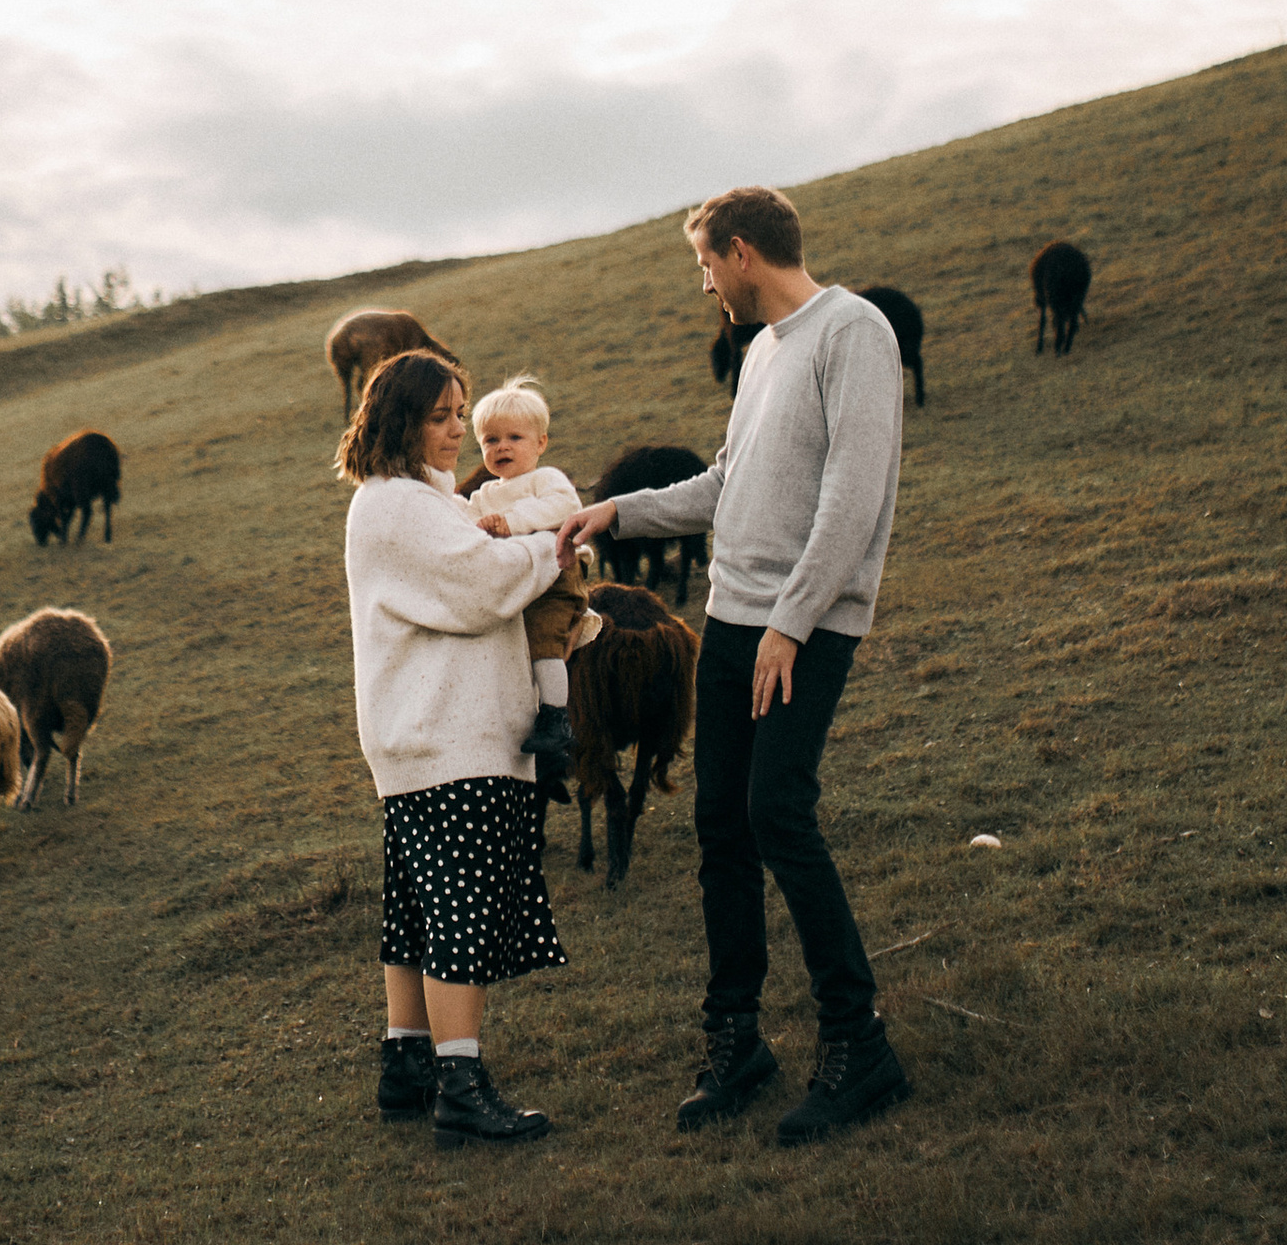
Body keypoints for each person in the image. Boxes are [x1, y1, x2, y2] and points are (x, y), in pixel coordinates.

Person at [561, 185, 908, 1145]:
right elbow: (729, 482)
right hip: (730, 619)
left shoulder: (856, 333)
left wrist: (792, 623)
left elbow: (854, 493)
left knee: (778, 812)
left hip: (805, 626)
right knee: (722, 826)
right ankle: (737, 1039)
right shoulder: (760, 354)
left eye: (707, 264)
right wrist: (617, 513)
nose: (706, 283)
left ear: (743, 251)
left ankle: (859, 1042)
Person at [340, 349, 584, 1149]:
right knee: (459, 913)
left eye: (460, 412)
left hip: (436, 736)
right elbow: (480, 587)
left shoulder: (425, 501)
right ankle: (461, 1084)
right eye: (442, 416)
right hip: (447, 738)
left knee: (417, 911)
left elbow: (482, 569)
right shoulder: (397, 505)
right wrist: (557, 547)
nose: (458, 431)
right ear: (401, 419)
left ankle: (406, 1063)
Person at [461, 372, 595, 784]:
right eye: (490, 440)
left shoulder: (546, 480)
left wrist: (513, 523)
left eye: (515, 438)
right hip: (517, 581)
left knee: (543, 641)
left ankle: (557, 717)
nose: (502, 447)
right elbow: (466, 522)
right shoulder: (484, 495)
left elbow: (563, 508)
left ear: (541, 444)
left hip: (558, 574)